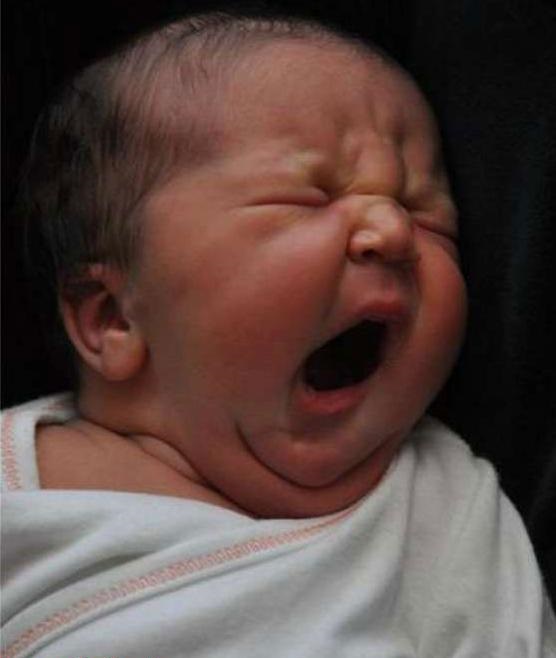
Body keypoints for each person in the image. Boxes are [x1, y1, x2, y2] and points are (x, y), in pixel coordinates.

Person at [1, 10, 555, 657]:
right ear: (114, 319)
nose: (395, 231)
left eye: (425, 212)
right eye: (309, 198)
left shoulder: (445, 511)